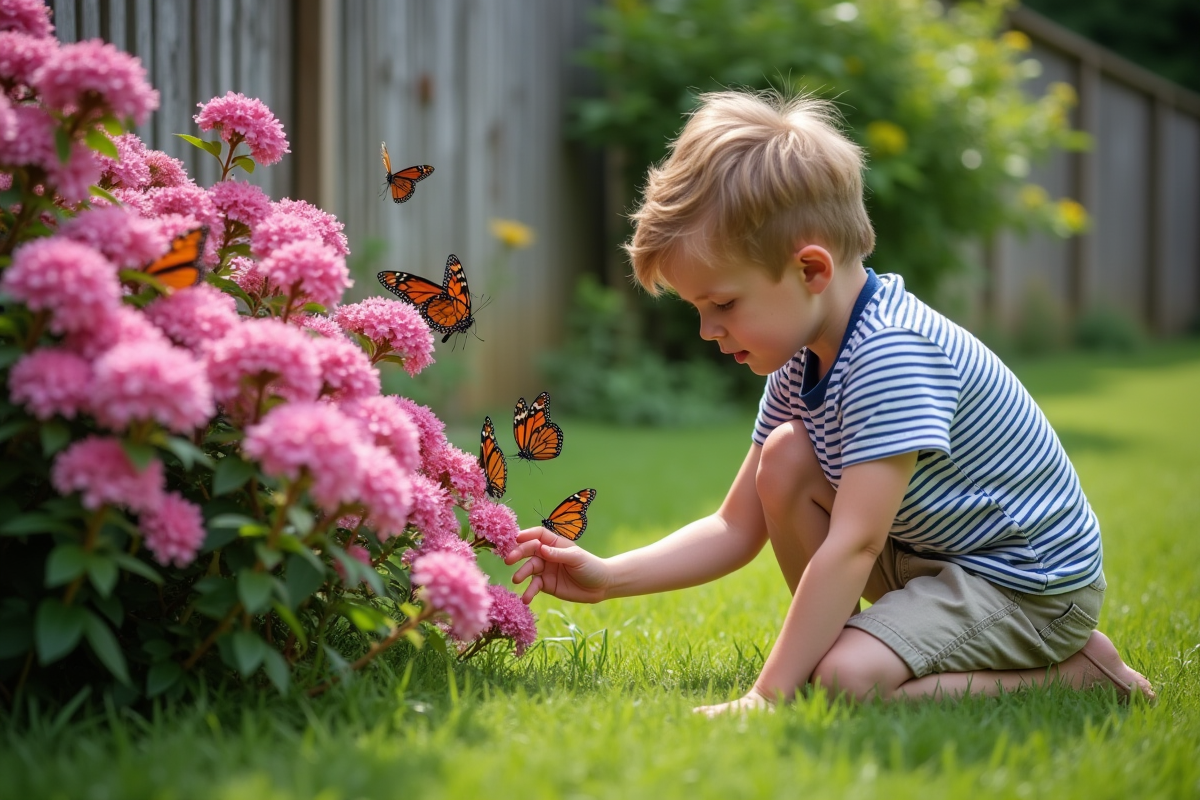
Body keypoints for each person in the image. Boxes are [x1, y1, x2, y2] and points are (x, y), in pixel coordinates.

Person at [504, 90, 1155, 713]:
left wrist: (768, 695)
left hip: (1025, 584)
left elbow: (853, 545)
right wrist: (608, 576)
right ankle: (848, 652)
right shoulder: (804, 357)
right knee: (784, 459)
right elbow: (738, 525)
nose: (707, 330)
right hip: (935, 560)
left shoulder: (891, 353)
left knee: (843, 682)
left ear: (810, 270)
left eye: (723, 304)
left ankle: (1078, 674)